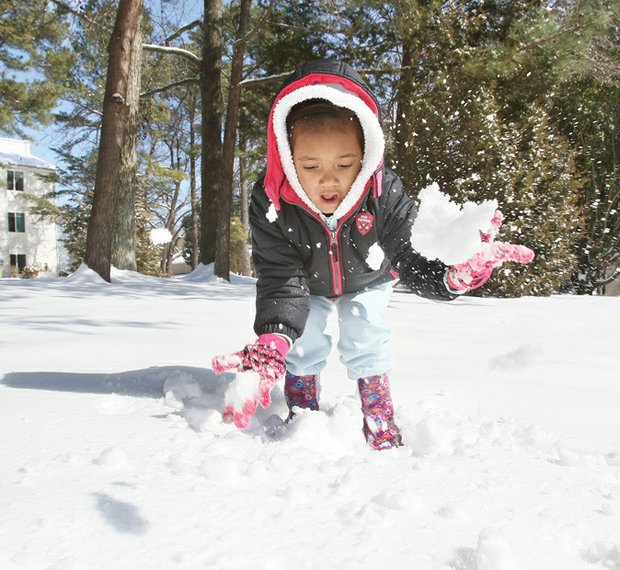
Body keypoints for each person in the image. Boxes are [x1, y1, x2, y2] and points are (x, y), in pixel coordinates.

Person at [212, 59, 534, 450]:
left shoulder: (384, 194)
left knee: (362, 326)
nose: (328, 179)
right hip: (306, 284)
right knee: (306, 335)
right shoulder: (272, 202)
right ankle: (303, 412)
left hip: (369, 278)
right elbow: (281, 276)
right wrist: (275, 341)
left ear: (366, 156)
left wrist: (452, 274)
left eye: (344, 164)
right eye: (310, 165)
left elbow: (412, 256)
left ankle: (379, 418)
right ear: (286, 157)